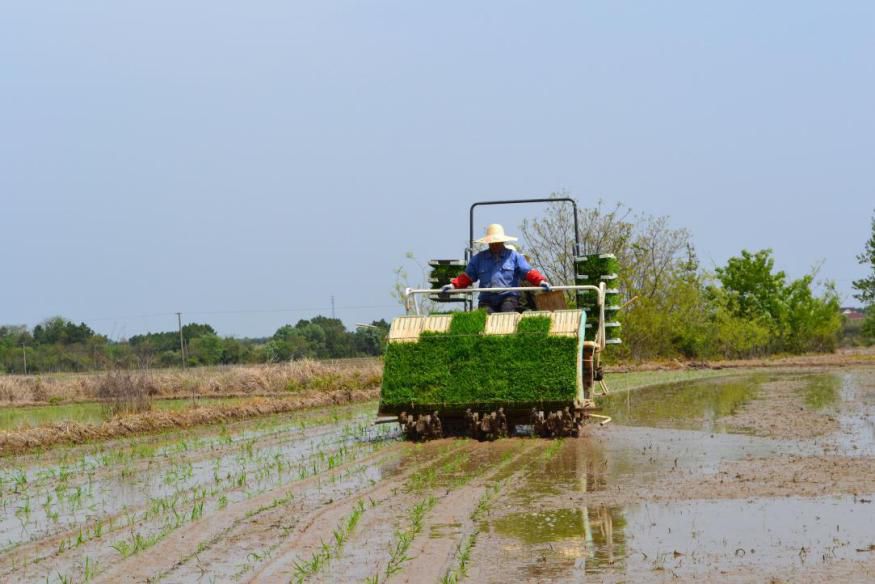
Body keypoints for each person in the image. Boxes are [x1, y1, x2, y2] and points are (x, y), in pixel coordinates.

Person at [441, 224, 551, 313]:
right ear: (488, 242)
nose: (494, 245)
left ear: (502, 241)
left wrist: (541, 281)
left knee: (507, 313)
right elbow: (467, 277)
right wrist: (453, 285)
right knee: (485, 316)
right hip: (486, 300)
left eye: (497, 242)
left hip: (508, 297)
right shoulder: (479, 259)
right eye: (492, 242)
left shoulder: (514, 256)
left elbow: (528, 272)